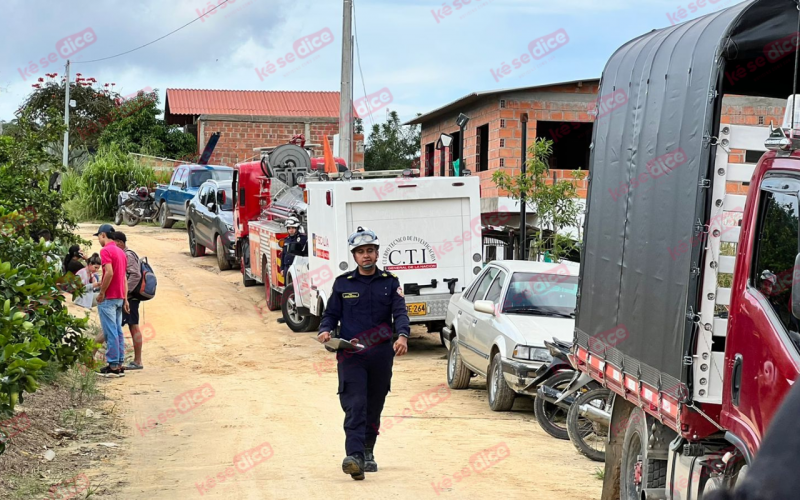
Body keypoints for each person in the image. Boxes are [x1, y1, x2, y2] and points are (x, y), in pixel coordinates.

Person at [317, 226, 410, 481]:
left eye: (370, 250)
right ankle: (355, 456)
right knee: (355, 403)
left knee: (373, 405)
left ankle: (368, 450)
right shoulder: (342, 283)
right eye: (360, 252)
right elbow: (331, 315)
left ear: (377, 253)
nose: (366, 255)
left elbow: (400, 312)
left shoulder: (390, 283)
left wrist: (402, 335)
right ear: (354, 256)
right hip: (352, 354)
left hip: (380, 355)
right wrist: (325, 331)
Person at [94, 224, 129, 378]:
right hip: (120, 296)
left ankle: (113, 365)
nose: (99, 241)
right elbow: (123, 278)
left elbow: (109, 273)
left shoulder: (106, 251)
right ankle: (119, 363)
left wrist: (102, 292)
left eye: (99, 237)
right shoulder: (121, 253)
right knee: (118, 331)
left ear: (103, 235)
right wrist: (126, 298)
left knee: (110, 332)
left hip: (109, 297)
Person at [112, 231, 144, 370]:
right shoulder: (127, 254)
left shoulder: (128, 255)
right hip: (130, 297)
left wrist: (125, 294)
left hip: (130, 297)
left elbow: (135, 275)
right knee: (132, 325)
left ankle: (137, 361)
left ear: (119, 242)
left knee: (125, 325)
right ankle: (137, 360)